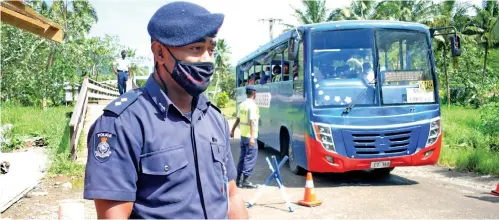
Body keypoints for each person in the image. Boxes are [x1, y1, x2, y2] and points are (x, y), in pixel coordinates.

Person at [83, 2, 248, 219]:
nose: (207, 59)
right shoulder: (122, 124)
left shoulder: (214, 119)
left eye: (211, 49)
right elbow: (114, 216)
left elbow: (232, 195)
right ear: (160, 52)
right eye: (196, 49)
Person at [230, 85, 260, 189]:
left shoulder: (242, 104)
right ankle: (246, 180)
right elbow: (252, 121)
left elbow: (238, 119)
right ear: (254, 93)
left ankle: (238, 180)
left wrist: (232, 130)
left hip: (243, 136)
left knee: (242, 158)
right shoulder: (252, 105)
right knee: (250, 157)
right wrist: (252, 137)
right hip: (249, 137)